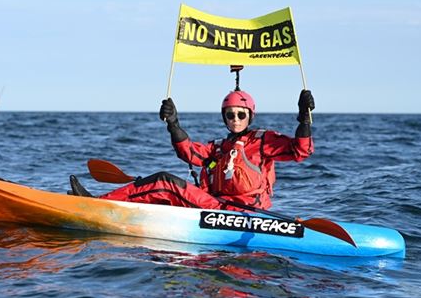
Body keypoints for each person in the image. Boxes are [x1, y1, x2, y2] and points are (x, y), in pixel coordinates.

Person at [69, 88, 315, 211]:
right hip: (215, 205)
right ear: (224, 117)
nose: (236, 119)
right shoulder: (218, 147)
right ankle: (109, 206)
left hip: (246, 212)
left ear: (250, 116)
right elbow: (189, 152)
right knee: (160, 186)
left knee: (164, 182)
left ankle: (95, 205)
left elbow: (300, 151)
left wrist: (304, 118)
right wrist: (173, 124)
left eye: (241, 114)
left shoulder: (263, 141)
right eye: (230, 115)